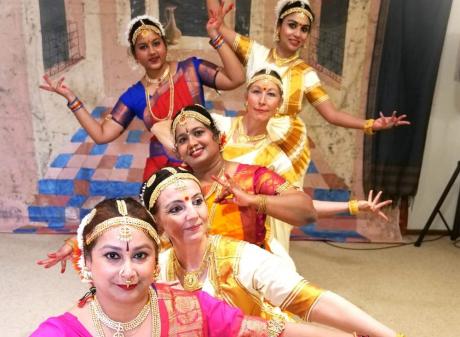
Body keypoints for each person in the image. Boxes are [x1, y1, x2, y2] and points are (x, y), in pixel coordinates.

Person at [30, 197, 359, 337]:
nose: (128, 272)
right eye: (112, 256)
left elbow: (271, 331)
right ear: (87, 261)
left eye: (141, 256)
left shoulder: (189, 306)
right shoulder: (61, 332)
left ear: (156, 260)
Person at [139, 166, 404, 337]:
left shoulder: (240, 257)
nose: (193, 214)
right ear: (158, 222)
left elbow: (309, 299)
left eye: (197, 202)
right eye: (176, 209)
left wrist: (384, 334)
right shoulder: (156, 269)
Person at [205, 0, 410, 185]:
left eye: (304, 29)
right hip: (250, 134)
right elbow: (218, 25)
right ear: (279, 26)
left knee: (274, 207)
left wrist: (371, 124)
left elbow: (332, 115)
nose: (297, 33)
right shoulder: (254, 52)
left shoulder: (306, 73)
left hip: (285, 143)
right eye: (292, 25)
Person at [39, 14, 245, 180]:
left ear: (165, 45)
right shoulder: (135, 95)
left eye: (156, 43)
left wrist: (216, 37)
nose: (152, 51)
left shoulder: (191, 69)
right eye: (143, 47)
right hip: (165, 169)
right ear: (135, 54)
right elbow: (102, 135)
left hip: (203, 160)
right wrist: (71, 98)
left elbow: (236, 78)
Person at [170, 103, 391, 252]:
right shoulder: (174, 185)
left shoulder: (256, 174)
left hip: (244, 279)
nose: (192, 143)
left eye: (198, 133)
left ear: (219, 138)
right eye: (182, 139)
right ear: (177, 151)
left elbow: (306, 210)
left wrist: (253, 200)